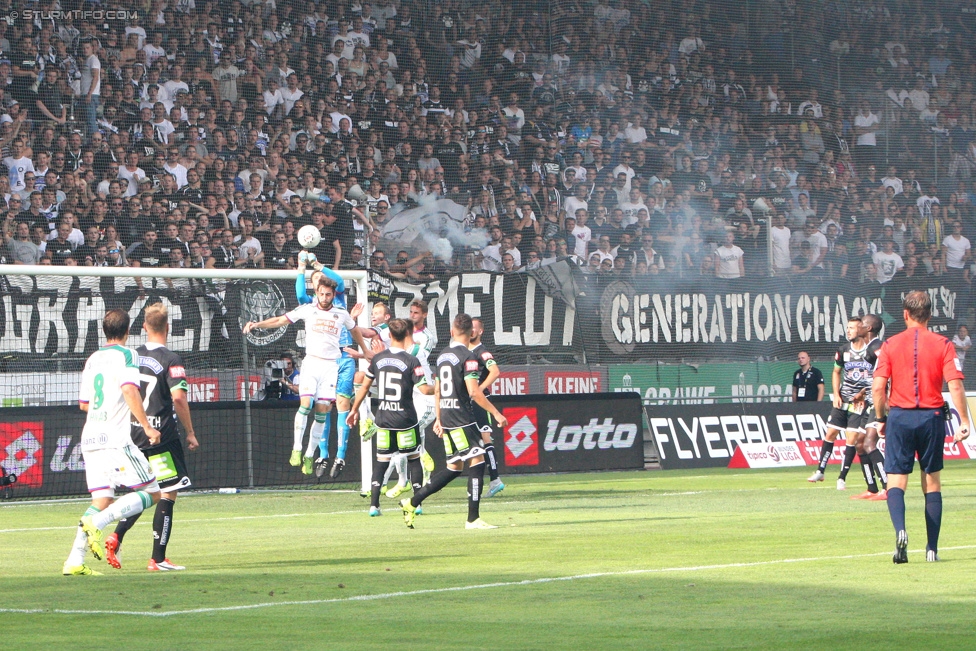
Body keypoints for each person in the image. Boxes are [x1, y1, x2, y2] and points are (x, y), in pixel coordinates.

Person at [872, 291, 971, 563]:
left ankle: (901, 531)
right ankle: (931, 549)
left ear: (905, 314)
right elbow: (955, 384)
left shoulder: (890, 345)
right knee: (932, 481)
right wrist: (964, 421)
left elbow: (878, 388)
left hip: (901, 417)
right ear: (929, 315)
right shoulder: (944, 345)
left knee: (896, 480)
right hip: (931, 418)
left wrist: (881, 419)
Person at [63, 309, 162, 576]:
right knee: (153, 492)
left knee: (103, 498)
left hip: (90, 436)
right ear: (128, 331)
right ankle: (99, 524)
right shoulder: (127, 354)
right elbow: (129, 389)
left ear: (104, 331)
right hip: (114, 438)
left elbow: (84, 403)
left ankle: (74, 559)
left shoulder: (93, 358)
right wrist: (146, 426)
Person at [243, 274, 372, 475]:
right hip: (311, 363)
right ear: (317, 293)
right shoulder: (308, 309)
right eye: (321, 293)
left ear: (333, 295)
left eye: (328, 294)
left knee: (322, 412)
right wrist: (256, 325)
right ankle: (297, 448)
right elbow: (280, 319)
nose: (324, 297)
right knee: (305, 405)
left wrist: (365, 349)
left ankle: (310, 454)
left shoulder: (341, 313)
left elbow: (354, 330)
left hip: (330, 367)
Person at [104, 303, 200, 571]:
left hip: (133, 432)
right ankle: (157, 558)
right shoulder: (171, 359)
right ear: (168, 328)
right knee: (168, 493)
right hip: (161, 437)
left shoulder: (132, 356)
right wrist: (190, 432)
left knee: (145, 492)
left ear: (144, 327)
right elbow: (179, 398)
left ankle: (116, 535)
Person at [399, 313, 508, 529]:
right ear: (471, 333)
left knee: (454, 467)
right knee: (478, 460)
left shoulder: (442, 356)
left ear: (451, 331)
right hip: (461, 417)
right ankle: (473, 519)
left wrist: (439, 418)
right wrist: (496, 413)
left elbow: (437, 389)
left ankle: (412, 502)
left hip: (447, 416)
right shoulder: (469, 357)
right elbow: (474, 393)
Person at [347, 318, 434, 516]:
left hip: (383, 417)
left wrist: (354, 410)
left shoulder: (378, 359)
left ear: (390, 335)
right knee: (413, 458)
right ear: (407, 335)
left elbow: (365, 387)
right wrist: (443, 387)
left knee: (382, 460)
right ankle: (417, 503)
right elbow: (424, 389)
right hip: (405, 417)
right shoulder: (412, 361)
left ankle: (374, 505)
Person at [292, 251, 363, 479]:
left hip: (343, 357)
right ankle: (321, 453)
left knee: (341, 404)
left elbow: (340, 281)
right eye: (315, 281)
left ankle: (340, 455)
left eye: (321, 278)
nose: (319, 281)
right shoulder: (310, 304)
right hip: (322, 360)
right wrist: (302, 268)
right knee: (323, 408)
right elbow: (300, 292)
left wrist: (318, 265)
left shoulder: (336, 300)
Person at [807, 317, 873, 489]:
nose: (848, 331)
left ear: (861, 329)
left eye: (852, 328)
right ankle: (820, 470)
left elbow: (877, 378)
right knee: (830, 434)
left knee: (851, 439)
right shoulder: (843, 351)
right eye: (848, 327)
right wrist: (836, 394)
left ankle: (842, 477)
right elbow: (836, 372)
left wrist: (864, 393)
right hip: (843, 399)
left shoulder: (871, 352)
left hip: (860, 403)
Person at [383, 299, 437, 498]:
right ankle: (411, 481)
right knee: (409, 442)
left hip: (427, 402)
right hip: (413, 400)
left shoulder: (416, 350)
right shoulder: (406, 350)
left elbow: (422, 385)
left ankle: (419, 462)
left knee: (405, 438)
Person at [849, 314, 888, 501]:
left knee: (869, 443)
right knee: (859, 444)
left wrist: (886, 397)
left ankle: (888, 488)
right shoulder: (870, 348)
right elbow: (877, 374)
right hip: (871, 399)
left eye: (862, 325)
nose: (858, 327)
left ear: (869, 329)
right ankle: (872, 488)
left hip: (881, 401)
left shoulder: (877, 347)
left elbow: (889, 370)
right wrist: (864, 391)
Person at [469, 317, 505, 497]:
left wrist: (480, 388)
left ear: (480, 331)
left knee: (485, 439)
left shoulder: (481, 351)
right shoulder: (467, 351)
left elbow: (495, 371)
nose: (471, 331)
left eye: (474, 329)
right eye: (469, 328)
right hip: (470, 401)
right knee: (479, 441)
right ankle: (491, 480)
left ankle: (495, 480)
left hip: (479, 402)